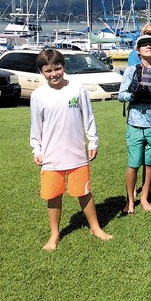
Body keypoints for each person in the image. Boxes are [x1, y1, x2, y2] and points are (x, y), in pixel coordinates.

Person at [30, 49, 112, 250]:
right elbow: (36, 126)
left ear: (64, 67)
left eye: (57, 68)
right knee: (53, 195)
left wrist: (93, 142)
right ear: (42, 72)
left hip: (76, 152)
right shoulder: (38, 95)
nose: (54, 74)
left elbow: (88, 117)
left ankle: (95, 227)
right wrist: (36, 149)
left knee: (83, 192)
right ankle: (54, 234)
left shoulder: (77, 89)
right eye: (48, 70)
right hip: (51, 155)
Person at [118, 34, 151, 214]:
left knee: (150, 164)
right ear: (138, 51)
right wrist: (133, 96)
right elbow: (120, 95)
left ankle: (145, 197)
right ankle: (130, 201)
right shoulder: (132, 70)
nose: (149, 47)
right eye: (144, 45)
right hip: (135, 124)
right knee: (133, 164)